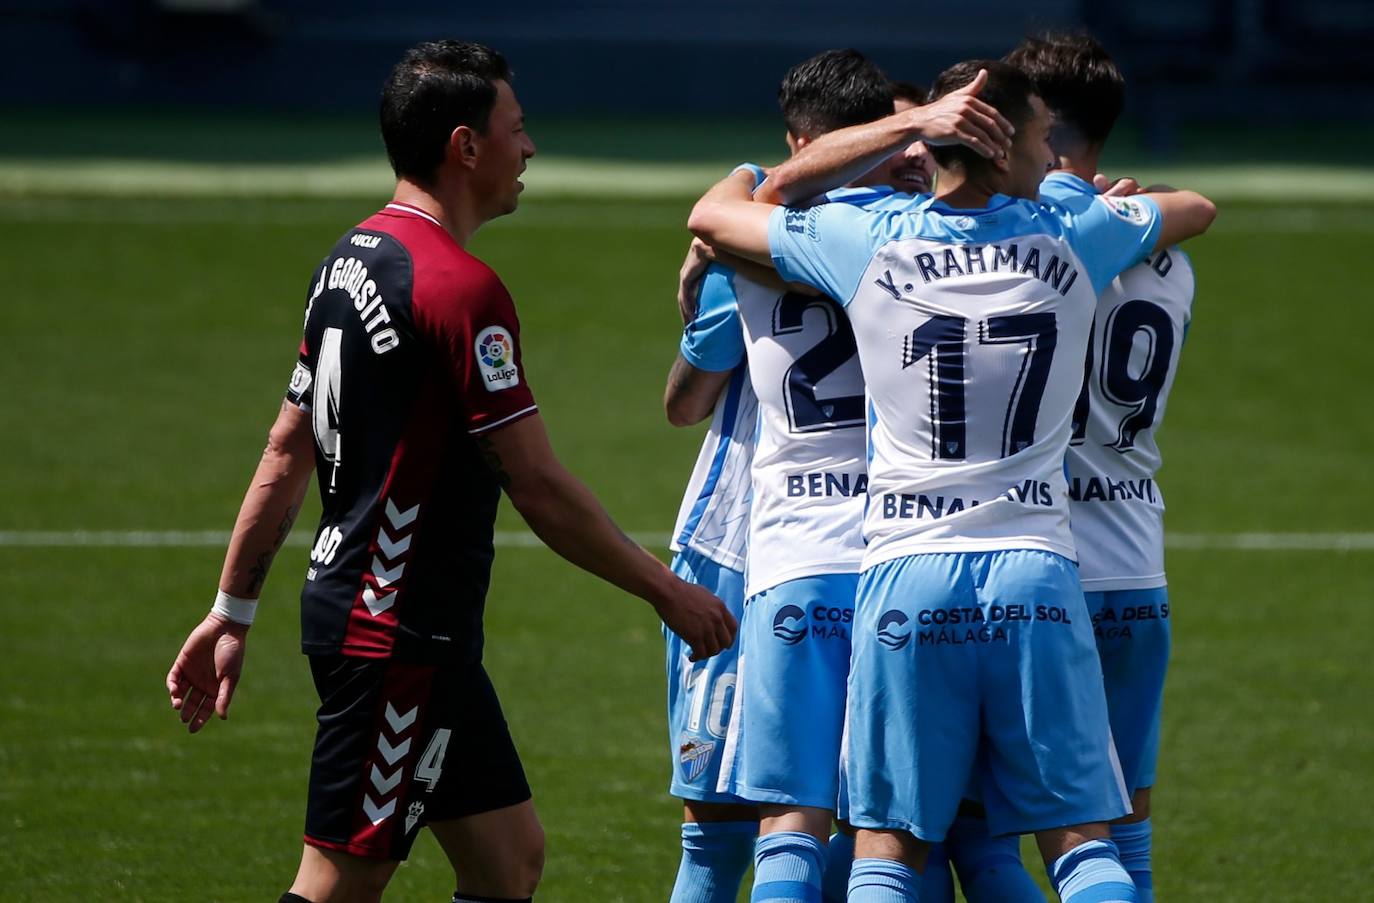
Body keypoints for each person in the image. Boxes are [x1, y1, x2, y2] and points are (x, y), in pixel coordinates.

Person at [165, 40, 736, 903]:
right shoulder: (459, 290)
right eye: (518, 127)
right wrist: (665, 589)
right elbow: (536, 484)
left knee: (508, 858)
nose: (531, 148)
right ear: (466, 146)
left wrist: (231, 609)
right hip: (395, 634)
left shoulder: (347, 260)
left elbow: (288, 448)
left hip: (392, 624)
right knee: (341, 876)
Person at [686, 59, 1215, 902]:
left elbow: (716, 215)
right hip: (1038, 570)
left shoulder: (870, 239)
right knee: (1083, 845)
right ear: (1002, 146)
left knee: (885, 851)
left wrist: (819, 154)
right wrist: (1111, 200)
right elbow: (1196, 210)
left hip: (906, 572)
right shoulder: (1075, 236)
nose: (1054, 151)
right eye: (1042, 134)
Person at [1007, 33, 1198, 903]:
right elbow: (1193, 208)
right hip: (1138, 566)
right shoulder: (1170, 257)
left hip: (1044, 568)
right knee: (1130, 826)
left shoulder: (1028, 237)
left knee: (969, 831)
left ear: (1039, 126)